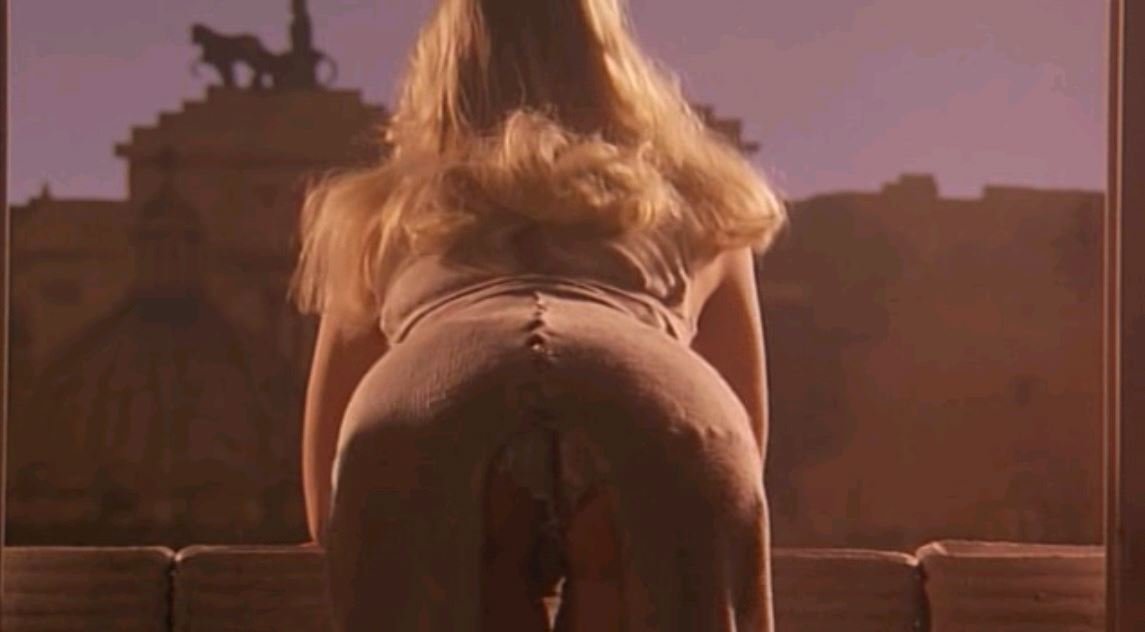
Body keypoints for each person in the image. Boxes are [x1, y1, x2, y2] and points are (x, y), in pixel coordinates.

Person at [290, 0, 787, 629]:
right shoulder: (708, 198)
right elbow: (746, 440)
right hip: (650, 392)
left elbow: (327, 506)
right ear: (610, 57)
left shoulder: (376, 211)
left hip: (431, 398)